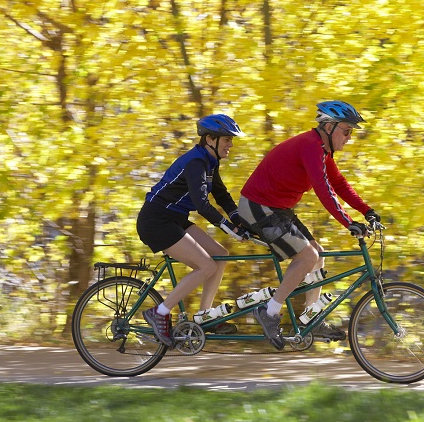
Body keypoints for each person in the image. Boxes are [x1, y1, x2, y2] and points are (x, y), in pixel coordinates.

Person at [238, 101, 381, 350]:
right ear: (328, 126)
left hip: (278, 208)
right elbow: (324, 190)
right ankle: (269, 312)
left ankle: (311, 317)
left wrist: (366, 211)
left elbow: (339, 184)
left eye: (351, 133)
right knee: (307, 256)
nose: (349, 138)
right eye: (346, 131)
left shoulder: (322, 151)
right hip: (258, 207)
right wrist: (348, 222)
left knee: (318, 254)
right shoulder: (310, 147)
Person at [137, 113, 248, 347]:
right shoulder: (196, 162)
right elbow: (202, 204)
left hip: (175, 218)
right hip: (156, 221)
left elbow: (221, 195)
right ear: (210, 139)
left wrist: (238, 218)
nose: (231, 145)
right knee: (206, 265)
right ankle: (160, 312)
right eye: (227, 139)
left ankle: (204, 316)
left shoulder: (210, 161)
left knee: (220, 256)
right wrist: (226, 226)